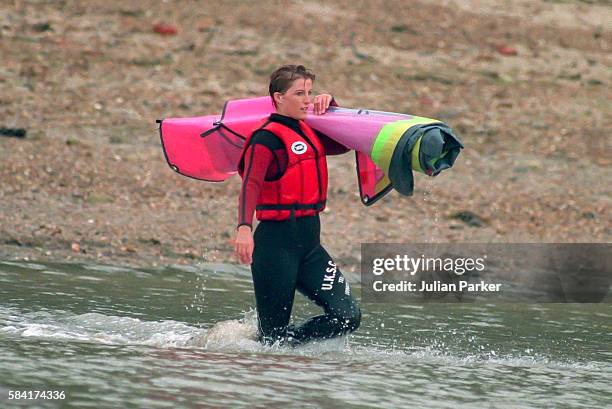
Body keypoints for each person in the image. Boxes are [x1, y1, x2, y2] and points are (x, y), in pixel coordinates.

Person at [234, 64, 361, 346]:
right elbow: (250, 185)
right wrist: (243, 228)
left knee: (347, 316)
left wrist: (333, 108)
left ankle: (290, 348)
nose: (307, 99)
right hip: (274, 247)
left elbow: (345, 143)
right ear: (279, 97)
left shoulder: (310, 129)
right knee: (272, 337)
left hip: (310, 248)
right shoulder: (265, 139)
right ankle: (274, 356)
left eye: (310, 92)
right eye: (299, 93)